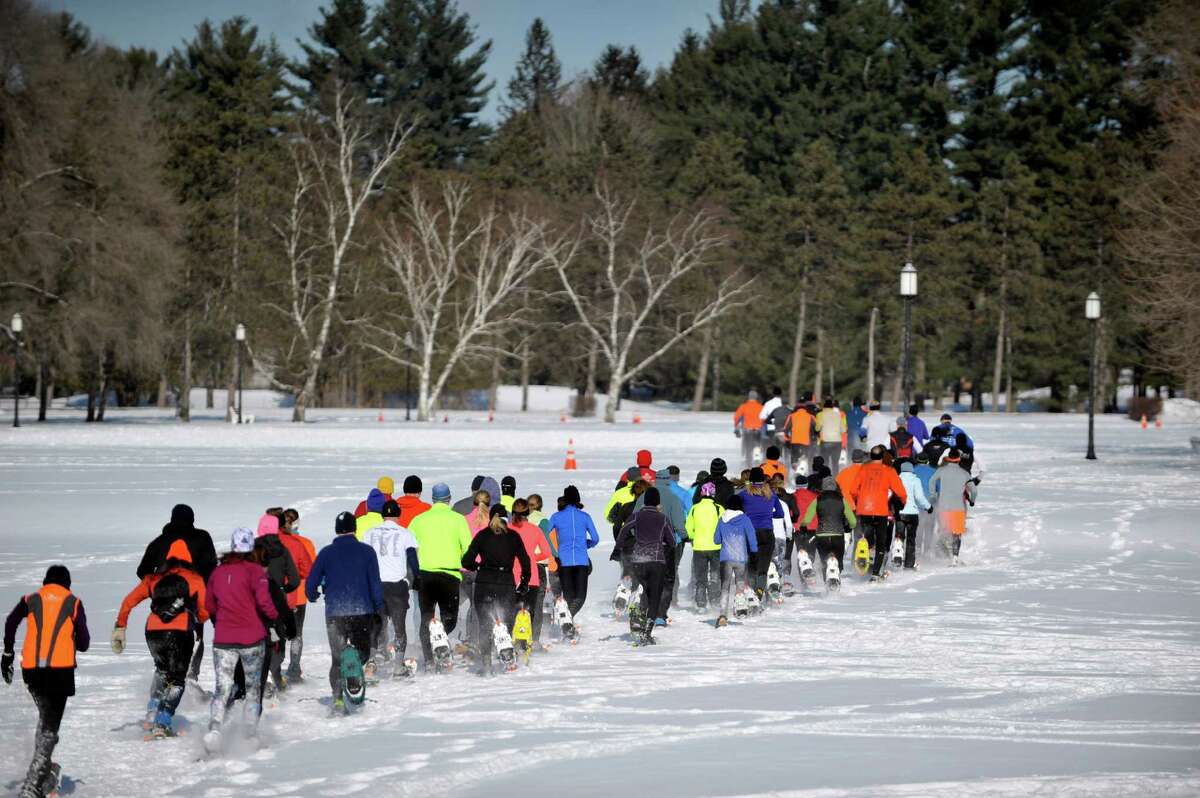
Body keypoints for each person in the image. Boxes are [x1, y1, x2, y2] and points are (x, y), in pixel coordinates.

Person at [3, 565, 90, 797]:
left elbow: (11, 622)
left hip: (32, 671)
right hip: (59, 673)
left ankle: (45, 770)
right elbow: (84, 643)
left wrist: (8, 653)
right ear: (67, 583)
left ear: (46, 581)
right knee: (50, 728)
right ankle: (33, 786)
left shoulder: (31, 599)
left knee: (45, 720)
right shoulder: (73, 602)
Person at [114, 540, 208, 736]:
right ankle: (163, 722)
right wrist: (197, 619)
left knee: (162, 669)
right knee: (177, 679)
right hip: (180, 631)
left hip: (153, 631)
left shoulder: (153, 579)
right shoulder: (195, 579)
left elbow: (128, 602)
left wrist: (120, 626)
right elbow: (205, 610)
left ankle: (151, 710)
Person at [204, 528, 277, 752]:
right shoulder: (255, 572)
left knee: (222, 687)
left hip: (223, 639)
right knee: (253, 688)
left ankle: (214, 729)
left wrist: (222, 619)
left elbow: (209, 606)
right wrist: (274, 618)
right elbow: (264, 603)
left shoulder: (217, 572)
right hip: (252, 639)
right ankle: (249, 733)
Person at [305, 511, 384, 712]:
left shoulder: (326, 553)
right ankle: (355, 673)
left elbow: (311, 583)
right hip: (362, 610)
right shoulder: (367, 552)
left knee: (337, 658)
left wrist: (312, 594)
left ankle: (338, 697)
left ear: (336, 530)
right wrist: (378, 606)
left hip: (335, 612)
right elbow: (375, 583)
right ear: (354, 528)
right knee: (362, 653)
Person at [136, 504, 217, 685]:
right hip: (194, 599)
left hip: (162, 603)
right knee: (195, 637)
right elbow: (212, 569)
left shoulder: (159, 541)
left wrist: (158, 588)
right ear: (192, 519)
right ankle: (189, 678)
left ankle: (163, 681)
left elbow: (142, 571)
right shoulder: (202, 538)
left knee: (164, 641)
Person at [409, 483, 474, 669]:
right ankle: (441, 641)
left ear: (433, 499)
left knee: (426, 617)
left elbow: (409, 547)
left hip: (425, 576)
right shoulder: (458, 520)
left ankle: (429, 658)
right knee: (449, 618)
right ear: (449, 499)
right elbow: (467, 548)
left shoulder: (419, 520)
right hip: (450, 576)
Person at [460, 505, 530, 674]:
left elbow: (466, 561)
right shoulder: (513, 536)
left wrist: (477, 566)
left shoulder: (482, 535)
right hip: (506, 584)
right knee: (506, 622)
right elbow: (525, 561)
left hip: (484, 583)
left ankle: (486, 663)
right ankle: (506, 655)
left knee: (485, 625)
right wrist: (524, 582)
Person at [612, 487, 676, 643]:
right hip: (656, 562)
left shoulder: (636, 516)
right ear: (657, 502)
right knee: (654, 598)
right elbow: (672, 542)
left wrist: (617, 549)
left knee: (640, 593)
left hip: (638, 561)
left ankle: (636, 615)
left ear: (645, 501)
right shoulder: (663, 518)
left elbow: (623, 531)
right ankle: (647, 632)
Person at [362, 500, 420, 674]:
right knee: (399, 627)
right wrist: (417, 578)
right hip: (396, 587)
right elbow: (412, 559)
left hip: (375, 586)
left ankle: (370, 662)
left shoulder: (368, 533)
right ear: (398, 515)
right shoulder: (405, 533)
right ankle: (398, 667)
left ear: (382, 516)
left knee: (375, 625)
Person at [253, 514, 299, 694]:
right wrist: (285, 589)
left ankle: (259, 681)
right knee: (278, 639)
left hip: (254, 599)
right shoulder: (283, 549)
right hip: (277, 599)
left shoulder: (253, 548)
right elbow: (294, 579)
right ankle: (276, 673)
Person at [854, 446, 907, 580]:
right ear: (883, 456)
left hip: (864, 509)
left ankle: (867, 557)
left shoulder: (863, 469)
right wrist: (902, 503)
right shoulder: (889, 470)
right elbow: (900, 492)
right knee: (881, 542)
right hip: (880, 510)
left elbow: (853, 490)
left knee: (868, 536)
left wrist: (860, 499)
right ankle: (875, 573)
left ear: (871, 456)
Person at [548, 486, 600, 618]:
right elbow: (595, 538)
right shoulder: (585, 516)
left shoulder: (556, 517)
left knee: (569, 598)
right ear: (578, 499)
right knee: (580, 598)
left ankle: (567, 626)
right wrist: (585, 545)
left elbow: (544, 533)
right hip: (581, 561)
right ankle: (567, 620)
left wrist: (553, 549)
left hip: (564, 562)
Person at [507, 499, 552, 645]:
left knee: (511, 610)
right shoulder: (535, 529)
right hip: (531, 576)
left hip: (510, 576)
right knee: (528, 611)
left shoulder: (507, 528)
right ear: (528, 512)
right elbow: (546, 552)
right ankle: (526, 640)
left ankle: (510, 639)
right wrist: (533, 557)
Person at [737, 468, 785, 599]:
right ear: (763, 479)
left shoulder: (744, 494)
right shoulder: (772, 494)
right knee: (763, 566)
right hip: (768, 533)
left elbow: (737, 511)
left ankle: (752, 594)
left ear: (750, 480)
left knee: (752, 566)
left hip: (750, 533)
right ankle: (759, 591)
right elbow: (781, 514)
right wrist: (769, 514)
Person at [281, 509, 316, 682]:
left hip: (278, 595)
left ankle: (275, 666)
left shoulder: (273, 543)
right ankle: (294, 667)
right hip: (299, 596)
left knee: (277, 633)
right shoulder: (306, 544)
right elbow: (311, 571)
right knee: (297, 634)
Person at [800, 478, 857, 581]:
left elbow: (808, 518)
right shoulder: (841, 499)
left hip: (822, 536)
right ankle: (837, 576)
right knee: (839, 561)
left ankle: (826, 581)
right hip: (838, 535)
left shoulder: (818, 499)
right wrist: (849, 528)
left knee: (824, 561)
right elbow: (853, 520)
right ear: (835, 487)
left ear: (822, 487)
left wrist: (803, 526)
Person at [713, 495, 757, 626]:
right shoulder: (745, 519)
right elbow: (752, 538)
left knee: (725, 587)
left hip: (726, 558)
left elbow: (716, 540)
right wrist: (754, 552)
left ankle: (722, 615)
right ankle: (741, 608)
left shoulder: (722, 520)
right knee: (740, 583)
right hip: (741, 558)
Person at [929, 450, 978, 565]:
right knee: (956, 533)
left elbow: (932, 481)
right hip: (958, 508)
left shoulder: (941, 470)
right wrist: (972, 500)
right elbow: (974, 490)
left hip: (943, 506)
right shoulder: (964, 473)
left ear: (948, 458)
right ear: (959, 459)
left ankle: (942, 555)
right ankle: (954, 557)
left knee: (943, 531)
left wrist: (933, 495)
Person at [685, 482, 723, 610]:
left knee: (700, 575)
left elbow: (689, 527)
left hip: (699, 547)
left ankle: (701, 602)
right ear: (713, 494)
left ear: (701, 493)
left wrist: (692, 537)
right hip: (716, 547)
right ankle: (715, 600)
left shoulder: (695, 508)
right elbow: (724, 525)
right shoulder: (719, 508)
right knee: (715, 575)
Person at [896, 462, 932, 569]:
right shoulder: (916, 480)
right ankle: (909, 563)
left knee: (899, 536)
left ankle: (897, 559)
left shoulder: (897, 479)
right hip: (912, 514)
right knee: (911, 539)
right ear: (912, 469)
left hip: (899, 513)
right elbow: (920, 498)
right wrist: (928, 507)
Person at [912, 453, 938, 555]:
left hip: (916, 505)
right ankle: (927, 550)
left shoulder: (913, 470)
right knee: (929, 527)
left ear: (917, 460)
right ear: (927, 461)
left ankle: (917, 549)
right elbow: (939, 488)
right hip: (930, 503)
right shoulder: (934, 471)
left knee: (918, 528)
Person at [815, 398, 847, 476]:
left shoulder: (820, 414)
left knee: (825, 462)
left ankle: (826, 479)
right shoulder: (839, 415)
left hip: (825, 441)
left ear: (824, 407)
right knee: (835, 463)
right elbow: (843, 430)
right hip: (837, 442)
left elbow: (817, 428)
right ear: (832, 407)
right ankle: (835, 479)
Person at [733, 390, 764, 467]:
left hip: (747, 430)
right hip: (758, 429)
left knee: (748, 447)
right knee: (757, 444)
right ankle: (757, 458)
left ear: (749, 397)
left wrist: (736, 426)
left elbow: (737, 417)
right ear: (756, 397)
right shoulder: (760, 406)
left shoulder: (744, 406)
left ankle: (748, 464)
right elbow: (764, 418)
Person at [782, 402, 815, 474]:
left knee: (794, 459)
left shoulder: (791, 416)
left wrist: (787, 440)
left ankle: (794, 472)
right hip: (806, 442)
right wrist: (813, 438)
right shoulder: (811, 416)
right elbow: (816, 429)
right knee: (806, 458)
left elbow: (785, 430)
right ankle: (805, 473)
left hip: (794, 442)